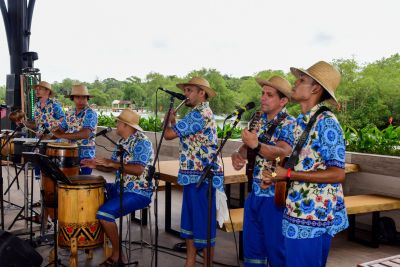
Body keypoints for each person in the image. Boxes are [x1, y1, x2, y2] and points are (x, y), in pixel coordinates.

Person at [262, 61, 348, 267]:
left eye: (301, 80)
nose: (295, 83)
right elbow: (300, 165)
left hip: (313, 218)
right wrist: (274, 177)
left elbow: (337, 173)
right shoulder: (301, 122)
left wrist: (288, 175)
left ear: (315, 89)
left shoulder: (327, 122)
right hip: (295, 211)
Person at [231, 76, 295, 267]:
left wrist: (256, 145)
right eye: (262, 93)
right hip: (255, 193)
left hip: (274, 197)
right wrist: (238, 153)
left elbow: (284, 152)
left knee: (276, 251)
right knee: (252, 251)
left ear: (283, 101)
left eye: (269, 95)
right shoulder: (257, 118)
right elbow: (248, 145)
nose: (263, 98)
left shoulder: (288, 123)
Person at [163, 77, 224, 267]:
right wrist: (173, 121)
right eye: (186, 91)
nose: (186, 95)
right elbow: (179, 134)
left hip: (203, 177)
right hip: (193, 176)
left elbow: (168, 135)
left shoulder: (200, 114)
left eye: (190, 90)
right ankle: (189, 262)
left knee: (202, 226)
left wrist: (169, 122)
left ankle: (206, 265)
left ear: (202, 93)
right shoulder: (195, 114)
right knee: (189, 224)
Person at [81, 108, 154, 266]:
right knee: (90, 191)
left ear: (126, 125)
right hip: (121, 187)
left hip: (138, 191)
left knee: (104, 214)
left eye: (118, 122)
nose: (116, 125)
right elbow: (112, 167)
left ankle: (117, 255)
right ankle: (93, 238)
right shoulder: (122, 142)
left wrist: (111, 163)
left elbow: (138, 169)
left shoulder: (142, 142)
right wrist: (96, 164)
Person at [52, 84, 97, 174]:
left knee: (82, 184)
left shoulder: (90, 113)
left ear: (87, 98)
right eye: (78, 97)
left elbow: (85, 134)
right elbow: (61, 129)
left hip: (85, 156)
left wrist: (61, 135)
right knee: (69, 183)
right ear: (73, 98)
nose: (81, 100)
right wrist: (49, 137)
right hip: (69, 153)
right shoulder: (69, 113)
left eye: (84, 98)